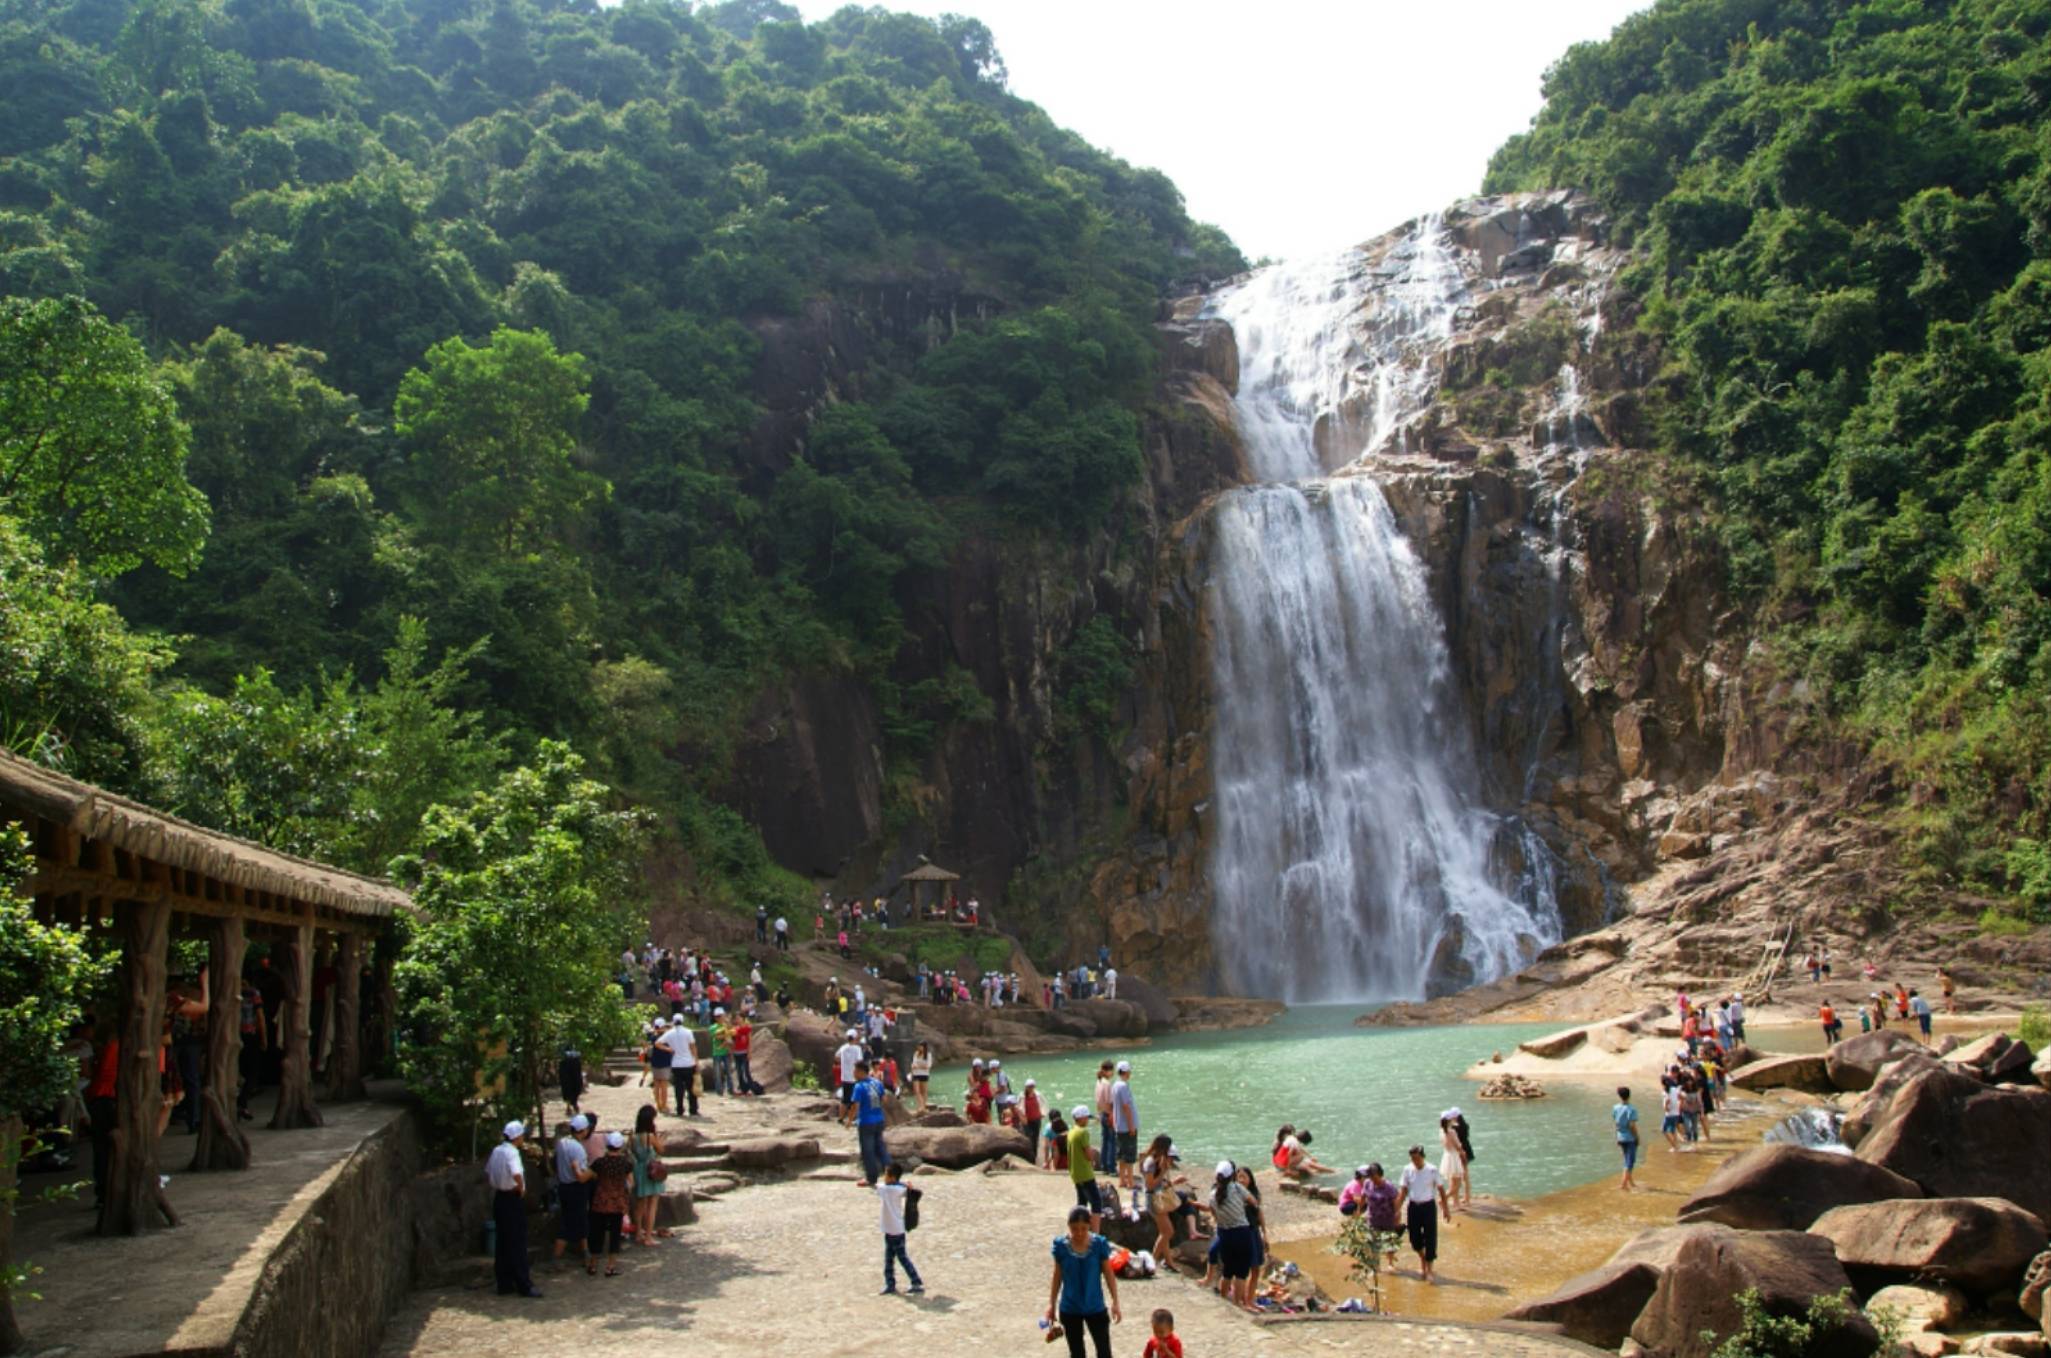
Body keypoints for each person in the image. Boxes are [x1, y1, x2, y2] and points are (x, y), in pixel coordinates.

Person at [1046, 1204, 1121, 1358]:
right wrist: (1051, 1304)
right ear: (1069, 1226)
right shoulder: (1061, 1247)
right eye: (1074, 1229)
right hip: (1070, 1308)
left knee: (1104, 1352)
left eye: (1083, 1228)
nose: (1079, 1233)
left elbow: (1108, 1274)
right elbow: (1057, 1276)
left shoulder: (1099, 1245)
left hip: (1095, 1306)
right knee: (1077, 1353)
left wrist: (1115, 1301)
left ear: (1089, 1226)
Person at [487, 1121, 541, 1298]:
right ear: (517, 1137)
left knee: (503, 1242)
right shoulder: (512, 1153)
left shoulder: (496, 1151)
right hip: (511, 1198)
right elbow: (517, 1173)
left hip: (499, 1198)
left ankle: (504, 1282)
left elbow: (488, 1171)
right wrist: (521, 1187)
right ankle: (523, 1284)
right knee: (517, 1243)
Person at [1394, 1144, 1452, 1283]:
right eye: (1413, 1158)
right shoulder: (1407, 1170)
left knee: (1430, 1237)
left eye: (1417, 1158)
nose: (1415, 1161)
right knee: (1414, 1239)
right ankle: (1423, 1258)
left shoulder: (1431, 1170)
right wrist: (1396, 1209)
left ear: (1423, 1157)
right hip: (1413, 1206)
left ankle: (1429, 1269)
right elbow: (1403, 1191)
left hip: (1428, 1206)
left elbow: (1441, 1190)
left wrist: (1445, 1209)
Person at [1209, 1159, 1256, 1306]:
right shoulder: (1236, 1188)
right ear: (1232, 1176)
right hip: (1241, 1232)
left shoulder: (1212, 1195)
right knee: (1241, 1272)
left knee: (1228, 1271)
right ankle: (1237, 1304)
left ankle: (1224, 1302)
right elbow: (1253, 1201)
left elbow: (1214, 1215)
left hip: (1224, 1234)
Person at [587, 1131, 633, 1276]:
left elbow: (589, 1176)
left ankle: (593, 1264)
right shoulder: (625, 1164)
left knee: (597, 1233)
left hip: (600, 1202)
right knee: (614, 1235)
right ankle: (610, 1266)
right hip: (617, 1203)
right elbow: (631, 1183)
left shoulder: (599, 1163)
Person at [877, 1161, 924, 1295]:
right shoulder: (900, 1189)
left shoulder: (886, 1189)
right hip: (897, 1229)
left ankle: (915, 1281)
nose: (884, 1177)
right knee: (891, 1258)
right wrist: (904, 1183)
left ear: (891, 1177)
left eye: (886, 1175)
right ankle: (890, 1284)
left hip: (893, 1231)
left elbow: (876, 1185)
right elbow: (906, 1188)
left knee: (898, 1259)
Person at [553, 1115, 594, 1267]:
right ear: (583, 1131)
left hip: (563, 1185)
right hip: (575, 1188)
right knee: (569, 1223)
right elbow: (581, 1176)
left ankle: (585, 1252)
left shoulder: (562, 1143)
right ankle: (556, 1257)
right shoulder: (577, 1149)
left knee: (580, 1220)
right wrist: (593, 1171)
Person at [1140, 1134, 1185, 1268]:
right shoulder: (1151, 1162)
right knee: (1168, 1232)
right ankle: (1152, 1260)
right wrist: (1163, 1172)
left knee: (1164, 1232)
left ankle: (1169, 1262)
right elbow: (1150, 1184)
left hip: (1158, 1197)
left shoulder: (1157, 1160)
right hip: (1154, 1199)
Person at [844, 1059, 891, 1187]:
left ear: (859, 1071)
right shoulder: (877, 1083)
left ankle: (871, 1178)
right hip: (878, 1119)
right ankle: (892, 1174)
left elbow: (856, 1105)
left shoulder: (858, 1086)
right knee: (880, 1148)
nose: (853, 1073)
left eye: (854, 1070)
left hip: (866, 1122)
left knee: (868, 1151)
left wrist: (849, 1120)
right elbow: (884, 1099)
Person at [629, 1104, 663, 1247]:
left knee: (640, 1204)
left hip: (638, 1169)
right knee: (652, 1205)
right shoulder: (650, 1136)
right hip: (651, 1170)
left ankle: (638, 1233)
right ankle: (648, 1236)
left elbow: (632, 1153)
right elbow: (661, 1150)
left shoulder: (633, 1137)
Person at [1110, 1060, 1140, 1202]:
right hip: (1126, 1126)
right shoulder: (1123, 1086)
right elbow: (1126, 1107)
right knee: (1129, 1154)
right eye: (1129, 1071)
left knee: (1121, 1154)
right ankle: (1130, 1182)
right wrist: (1131, 1125)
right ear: (1126, 1072)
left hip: (1119, 1126)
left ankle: (1122, 1180)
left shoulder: (1115, 1085)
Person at [657, 1018, 699, 1117]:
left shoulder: (670, 1033)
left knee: (679, 1088)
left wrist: (668, 1049)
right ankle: (693, 1109)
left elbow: (657, 1043)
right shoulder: (688, 1032)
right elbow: (693, 1047)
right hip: (688, 1063)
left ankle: (680, 1108)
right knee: (690, 1088)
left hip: (676, 1064)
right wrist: (696, 1061)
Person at [1067, 1107, 1102, 1216]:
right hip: (1085, 1173)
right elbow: (1088, 1155)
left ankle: (1080, 1225)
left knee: (1082, 1203)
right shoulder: (1083, 1132)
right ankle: (1095, 1230)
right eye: (1086, 1117)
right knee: (1096, 1203)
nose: (1087, 1120)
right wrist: (1093, 1154)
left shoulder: (1072, 1131)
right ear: (1081, 1118)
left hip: (1076, 1173)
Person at [1612, 1086, 1640, 1192]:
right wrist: (1637, 1137)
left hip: (1621, 1136)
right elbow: (1632, 1125)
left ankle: (1630, 1182)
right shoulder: (1631, 1109)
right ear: (1629, 1095)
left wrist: (1617, 1136)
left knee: (1626, 1159)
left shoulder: (1615, 1108)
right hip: (1630, 1138)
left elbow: (1616, 1123)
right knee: (1630, 1162)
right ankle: (1623, 1184)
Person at [1437, 1114, 1468, 1207]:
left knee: (1452, 1182)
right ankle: (1443, 1199)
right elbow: (1457, 1145)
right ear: (1449, 1121)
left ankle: (1456, 1203)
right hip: (1453, 1157)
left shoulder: (1441, 1131)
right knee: (1457, 1184)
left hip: (1446, 1156)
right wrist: (1462, 1153)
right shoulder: (1451, 1132)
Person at [1448, 1108, 1476, 1204]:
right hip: (1467, 1149)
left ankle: (1456, 1198)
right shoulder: (1465, 1125)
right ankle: (1467, 1197)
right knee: (1465, 1176)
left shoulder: (1454, 1128)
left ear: (1455, 1116)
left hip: (1459, 1151)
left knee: (1456, 1176)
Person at [1094, 1061, 1117, 1174]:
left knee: (1105, 1140)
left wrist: (1098, 1114)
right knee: (1112, 1141)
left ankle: (1104, 1166)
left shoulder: (1098, 1082)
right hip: (1108, 1114)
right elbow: (1110, 1102)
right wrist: (1112, 1115)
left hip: (1102, 1113)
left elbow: (1098, 1101)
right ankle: (1111, 1167)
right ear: (1109, 1071)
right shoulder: (1107, 1084)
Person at [647, 1017, 673, 1115]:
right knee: (664, 1086)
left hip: (655, 1063)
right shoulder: (666, 1037)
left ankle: (658, 1104)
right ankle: (664, 1105)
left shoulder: (653, 1037)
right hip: (665, 1063)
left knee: (657, 1085)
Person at [835, 1029, 865, 1107]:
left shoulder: (843, 1047)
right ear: (855, 1038)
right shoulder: (857, 1048)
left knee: (845, 1098)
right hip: (854, 1077)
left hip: (844, 1076)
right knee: (854, 1098)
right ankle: (851, 1116)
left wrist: (843, 1063)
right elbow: (860, 1060)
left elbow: (837, 1057)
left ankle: (841, 1117)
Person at [559, 1046, 585, 1117]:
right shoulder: (576, 1061)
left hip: (568, 1080)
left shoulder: (563, 1062)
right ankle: (572, 1105)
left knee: (568, 1093)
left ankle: (570, 1106)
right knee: (573, 1092)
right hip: (573, 1079)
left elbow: (561, 1073)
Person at [1021, 1077, 1045, 1151]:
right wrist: (1022, 1118)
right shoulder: (1022, 1096)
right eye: (1029, 1086)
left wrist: (1042, 1113)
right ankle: (1029, 1152)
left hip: (1036, 1119)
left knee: (1035, 1137)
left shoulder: (1038, 1095)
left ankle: (1034, 1154)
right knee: (1028, 1137)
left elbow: (1043, 1104)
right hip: (1027, 1120)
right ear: (1026, 1087)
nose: (1031, 1088)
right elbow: (1020, 1108)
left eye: (1032, 1086)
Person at [909, 1042, 932, 1110]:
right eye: (919, 1046)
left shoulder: (928, 1055)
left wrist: (918, 1066)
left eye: (921, 1046)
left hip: (924, 1074)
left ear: (924, 1047)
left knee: (924, 1091)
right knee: (916, 1091)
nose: (919, 1048)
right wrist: (912, 1070)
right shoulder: (916, 1054)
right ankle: (921, 1105)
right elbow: (913, 1064)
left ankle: (923, 1106)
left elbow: (928, 1066)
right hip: (916, 1074)